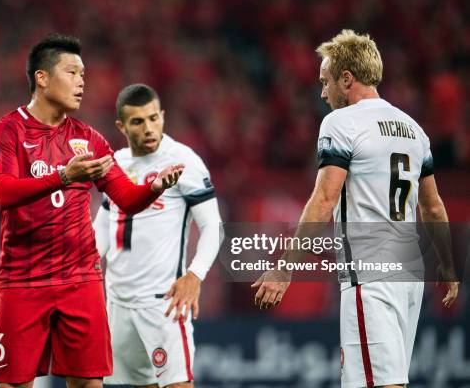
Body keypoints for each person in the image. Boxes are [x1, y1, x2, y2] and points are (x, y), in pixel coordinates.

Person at [252, 30, 459, 388]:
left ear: (347, 79)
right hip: (410, 279)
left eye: (325, 81)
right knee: (389, 379)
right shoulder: (414, 130)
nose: (322, 92)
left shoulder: (341, 123)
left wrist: (284, 269)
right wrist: (448, 266)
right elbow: (434, 207)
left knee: (378, 383)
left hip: (370, 277)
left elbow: (325, 199)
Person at [0, 35, 184, 388]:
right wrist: (63, 176)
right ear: (42, 78)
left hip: (80, 280)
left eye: (83, 74)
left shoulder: (89, 139)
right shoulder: (5, 132)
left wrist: (154, 187)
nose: (81, 82)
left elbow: (126, 198)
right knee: (14, 383)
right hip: (22, 279)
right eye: (72, 72)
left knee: (89, 382)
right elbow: (3, 193)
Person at [93, 84, 223, 388]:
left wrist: (194, 275)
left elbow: (213, 226)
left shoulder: (183, 161)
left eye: (154, 118)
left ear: (162, 116)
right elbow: (102, 226)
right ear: (121, 126)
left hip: (161, 302)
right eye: (138, 122)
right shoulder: (116, 163)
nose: (149, 128)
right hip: (117, 303)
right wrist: (79, 269)